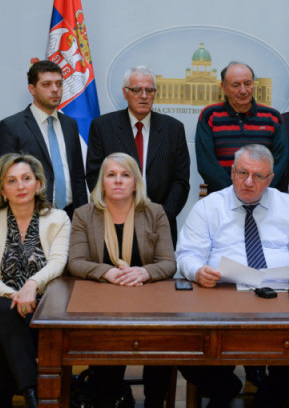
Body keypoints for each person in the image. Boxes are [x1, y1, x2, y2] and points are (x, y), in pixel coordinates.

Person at [177, 144, 289, 408]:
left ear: (270, 178)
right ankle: (224, 388)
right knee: (185, 348)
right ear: (232, 172)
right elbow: (188, 253)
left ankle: (269, 397)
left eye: (258, 176)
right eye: (243, 173)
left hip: (280, 297)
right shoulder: (208, 207)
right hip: (221, 297)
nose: (249, 182)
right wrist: (197, 271)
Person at [68, 152, 176, 408]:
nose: (118, 181)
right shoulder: (84, 214)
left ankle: (154, 402)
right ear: (102, 182)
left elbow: (168, 262)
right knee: (107, 356)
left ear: (135, 183)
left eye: (125, 175)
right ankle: (109, 396)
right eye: (111, 175)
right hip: (102, 304)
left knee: (163, 340)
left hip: (149, 301)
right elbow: (75, 262)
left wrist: (144, 272)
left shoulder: (155, 212)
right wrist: (106, 272)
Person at [0, 153, 71, 408]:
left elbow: (57, 264)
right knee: (6, 311)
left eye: (26, 178)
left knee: (9, 331)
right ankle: (34, 393)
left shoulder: (58, 219)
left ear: (38, 184)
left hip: (41, 306)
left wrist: (31, 286)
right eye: (11, 181)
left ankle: (6, 399)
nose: (20, 186)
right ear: (2, 190)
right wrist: (15, 295)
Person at [86, 66, 190, 244]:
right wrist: (117, 214)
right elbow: (95, 175)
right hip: (114, 223)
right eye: (136, 90)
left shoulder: (173, 129)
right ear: (125, 93)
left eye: (149, 90)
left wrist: (162, 216)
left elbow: (181, 181)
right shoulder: (103, 126)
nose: (144, 96)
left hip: (159, 225)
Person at [0, 60, 87, 218]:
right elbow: (5, 179)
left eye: (59, 84)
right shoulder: (12, 126)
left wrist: (82, 214)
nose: (55, 90)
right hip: (32, 215)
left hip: (71, 214)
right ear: (32, 89)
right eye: (47, 84)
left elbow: (78, 175)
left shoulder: (70, 124)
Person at [195, 61, 288, 193]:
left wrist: (258, 190)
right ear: (224, 87)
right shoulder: (209, 116)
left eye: (248, 84)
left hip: (263, 196)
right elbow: (206, 164)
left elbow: (280, 162)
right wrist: (233, 193)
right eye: (236, 85)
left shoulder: (273, 117)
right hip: (222, 198)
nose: (243, 90)